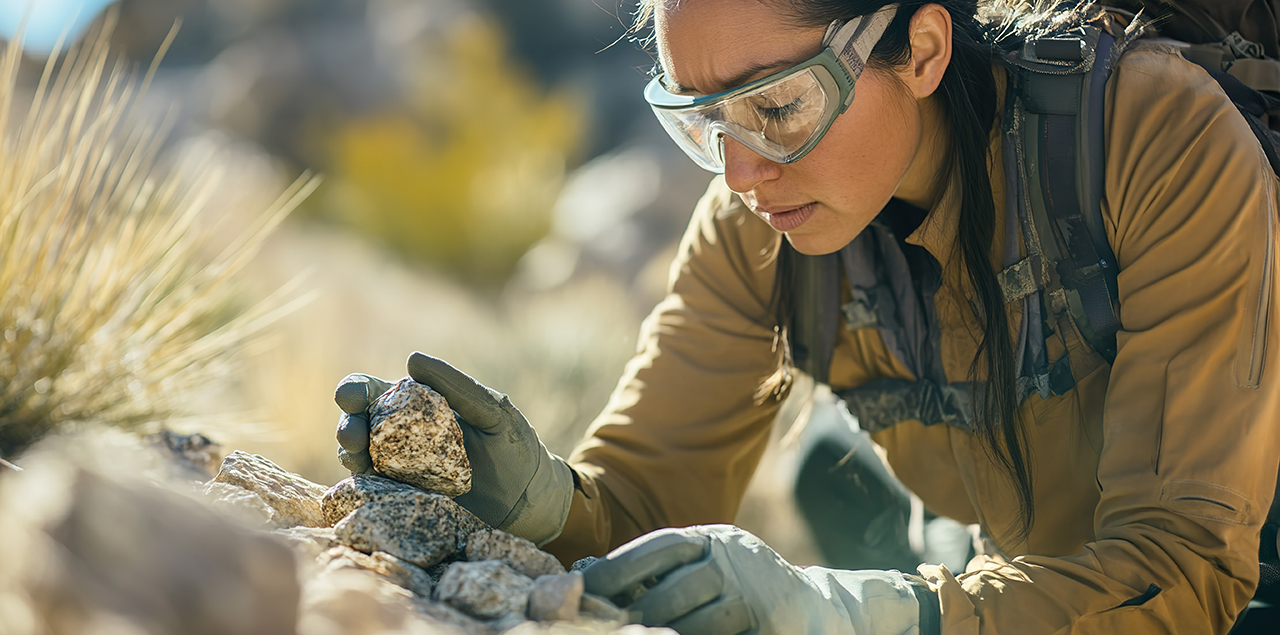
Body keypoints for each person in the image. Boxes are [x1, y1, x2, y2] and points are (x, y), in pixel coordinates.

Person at [332, 1, 1280, 633]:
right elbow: (641, 506)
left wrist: (861, 615)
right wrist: (538, 501)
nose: (741, 172)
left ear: (923, 50)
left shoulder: (1151, 132)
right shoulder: (756, 221)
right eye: (705, 121)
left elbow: (1183, 568)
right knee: (837, 471)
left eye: (779, 107)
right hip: (1010, 557)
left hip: (1244, 573)